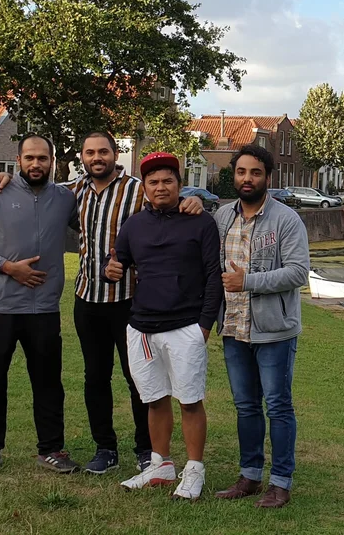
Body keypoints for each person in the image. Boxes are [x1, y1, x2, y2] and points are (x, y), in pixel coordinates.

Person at [0, 133, 204, 474]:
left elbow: (167, 204)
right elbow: (35, 187)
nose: (97, 157)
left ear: (115, 154)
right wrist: (2, 177)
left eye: (103, 151)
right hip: (87, 298)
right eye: (90, 152)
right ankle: (105, 448)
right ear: (82, 157)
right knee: (95, 378)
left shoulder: (136, 190)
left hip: (130, 299)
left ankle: (146, 449)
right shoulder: (72, 192)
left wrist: (193, 201)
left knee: (138, 378)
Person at [0, 134, 80, 474]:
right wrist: (8, 267)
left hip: (44, 308)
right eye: (30, 158)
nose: (36, 164)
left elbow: (97, 220)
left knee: (48, 381)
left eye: (42, 158)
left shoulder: (65, 198)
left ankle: (51, 449)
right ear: (18, 160)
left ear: (52, 161)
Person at [104, 152, 221, 500]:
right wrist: (109, 270)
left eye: (167, 180)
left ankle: (194, 469)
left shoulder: (200, 223)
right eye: (153, 182)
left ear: (179, 185)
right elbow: (117, 263)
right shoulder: (134, 225)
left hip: (186, 325)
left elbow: (213, 277)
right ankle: (161, 464)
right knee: (154, 399)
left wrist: (204, 326)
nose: (160, 187)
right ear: (144, 188)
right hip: (141, 327)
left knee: (189, 400)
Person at [212, 144, 309, 509]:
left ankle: (280, 483)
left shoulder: (286, 220)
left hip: (274, 331)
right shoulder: (222, 217)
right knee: (245, 406)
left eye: (255, 172)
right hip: (234, 327)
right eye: (241, 172)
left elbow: (298, 272)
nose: (247, 178)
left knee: (278, 406)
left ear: (268, 177)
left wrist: (248, 281)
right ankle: (249, 475)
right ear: (233, 175)